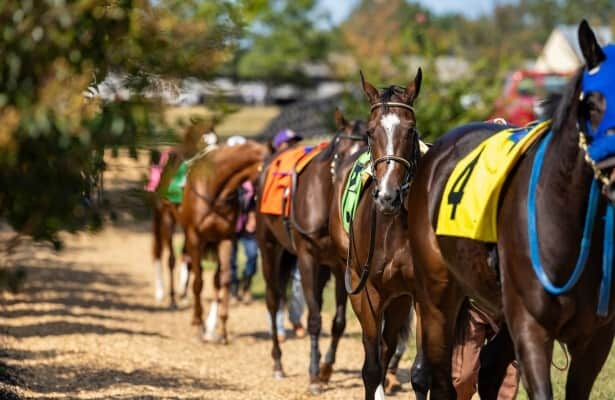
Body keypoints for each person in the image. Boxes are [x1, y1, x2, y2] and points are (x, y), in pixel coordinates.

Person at [268, 128, 306, 342]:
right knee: (276, 279)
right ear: (277, 146)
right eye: (288, 143)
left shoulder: (302, 167)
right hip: (277, 231)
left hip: (297, 231)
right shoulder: (270, 170)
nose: (292, 146)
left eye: (294, 142)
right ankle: (277, 323)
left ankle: (295, 317)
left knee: (301, 280)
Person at [226, 135, 259, 304]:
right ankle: (233, 289)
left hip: (247, 222)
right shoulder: (224, 176)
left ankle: (246, 284)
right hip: (229, 224)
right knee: (229, 260)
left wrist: (253, 215)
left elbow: (256, 197)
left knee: (252, 256)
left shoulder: (251, 176)